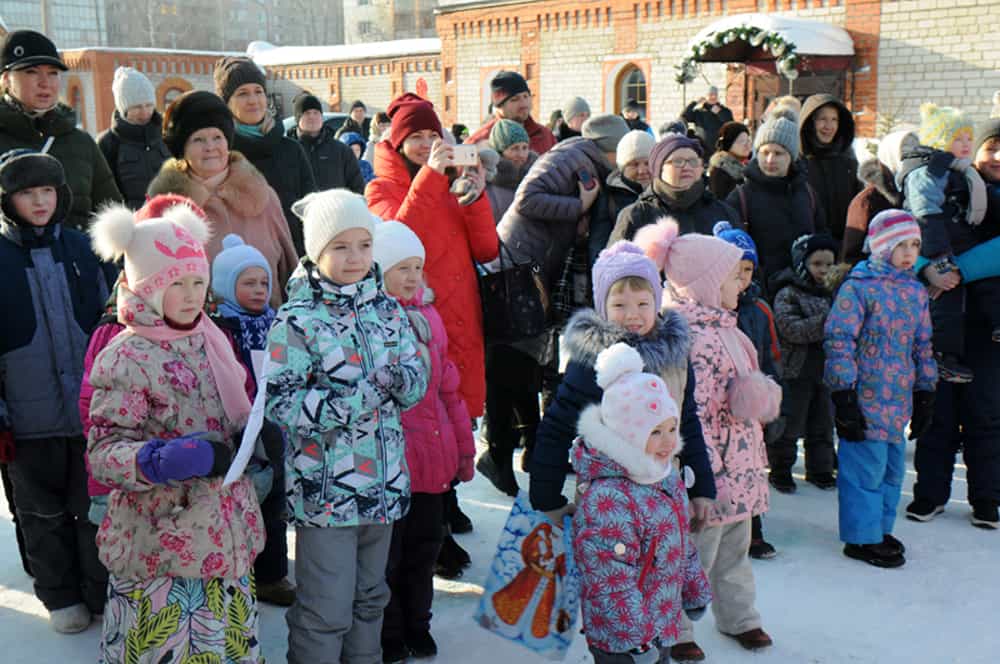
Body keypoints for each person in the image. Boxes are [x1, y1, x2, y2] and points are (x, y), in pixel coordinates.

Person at [88, 202, 265, 661]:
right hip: (161, 543)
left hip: (222, 532)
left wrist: (258, 437)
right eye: (175, 284)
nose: (191, 296)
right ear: (146, 289)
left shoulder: (212, 338)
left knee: (221, 645)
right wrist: (156, 459)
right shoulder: (126, 355)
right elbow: (104, 450)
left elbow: (236, 409)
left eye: (197, 282)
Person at [264, 189, 427, 663]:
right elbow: (283, 404)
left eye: (364, 244)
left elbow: (415, 379)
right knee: (325, 609)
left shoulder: (387, 309)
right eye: (340, 247)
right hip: (328, 497)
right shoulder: (298, 321)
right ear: (316, 252)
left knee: (370, 600)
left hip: (384, 486)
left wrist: (402, 379)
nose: (355, 258)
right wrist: (364, 395)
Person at [636, 219, 780, 660]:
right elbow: (687, 410)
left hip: (742, 467)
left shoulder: (731, 328)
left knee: (735, 550)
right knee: (692, 555)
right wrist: (700, 474)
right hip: (708, 470)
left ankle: (740, 616)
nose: (741, 283)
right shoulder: (684, 336)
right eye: (732, 276)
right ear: (704, 284)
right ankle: (676, 625)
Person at [0, 150, 116, 633]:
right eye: (28, 193)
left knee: (93, 511)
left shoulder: (83, 248)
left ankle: (98, 590)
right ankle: (60, 595)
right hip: (27, 423)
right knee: (40, 515)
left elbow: (113, 322)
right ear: (9, 201)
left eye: (47, 191)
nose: (40, 201)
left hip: (89, 414)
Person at [528, 242, 716, 534]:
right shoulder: (594, 361)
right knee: (611, 577)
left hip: (665, 499)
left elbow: (687, 422)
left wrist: (701, 487)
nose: (632, 315)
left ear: (657, 302)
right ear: (602, 307)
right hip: (606, 504)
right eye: (619, 306)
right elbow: (556, 428)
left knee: (661, 574)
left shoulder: (675, 358)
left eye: (643, 304)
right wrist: (547, 499)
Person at [373, 221, 475, 663]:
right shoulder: (374, 322)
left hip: (433, 463)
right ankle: (390, 630)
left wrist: (464, 450)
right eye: (402, 268)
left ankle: (419, 623)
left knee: (424, 550)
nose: (413, 276)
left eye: (418, 267)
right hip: (394, 464)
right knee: (389, 557)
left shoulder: (430, 317)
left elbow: (447, 392)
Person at [572, 342, 712, 664]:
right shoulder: (608, 497)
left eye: (672, 429)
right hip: (620, 640)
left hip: (659, 623)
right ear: (627, 434)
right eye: (655, 432)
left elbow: (681, 543)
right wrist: (633, 642)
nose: (668, 442)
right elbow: (608, 580)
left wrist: (693, 589)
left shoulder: (664, 477)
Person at [824, 210, 937, 567]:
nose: (908, 253)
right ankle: (860, 538)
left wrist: (925, 391)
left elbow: (923, 344)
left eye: (915, 245)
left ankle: (879, 530)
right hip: (864, 398)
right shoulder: (858, 287)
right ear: (882, 245)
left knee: (891, 470)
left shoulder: (915, 291)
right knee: (863, 470)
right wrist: (843, 394)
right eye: (901, 245)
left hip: (898, 400)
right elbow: (839, 338)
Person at [907, 119, 1000, 530]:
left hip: (988, 325)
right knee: (936, 413)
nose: (997, 157)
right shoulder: (942, 185)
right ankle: (930, 494)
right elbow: (906, 239)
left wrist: (955, 269)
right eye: (991, 147)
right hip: (938, 322)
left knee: (986, 414)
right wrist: (929, 269)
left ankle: (986, 498)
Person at [206, 232, 296, 606]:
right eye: (248, 283)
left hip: (275, 426)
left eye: (264, 282)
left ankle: (272, 575)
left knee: (274, 501)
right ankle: (238, 569)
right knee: (242, 504)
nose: (259, 290)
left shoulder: (277, 320)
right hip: (240, 427)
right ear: (226, 285)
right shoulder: (219, 328)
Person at [149, 89, 298, 309]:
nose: (210, 147)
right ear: (183, 149)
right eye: (198, 140)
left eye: (217, 137)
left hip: (267, 333)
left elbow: (291, 270)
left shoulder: (263, 196)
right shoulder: (165, 207)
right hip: (194, 335)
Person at [899, 103, 998, 384]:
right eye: (958, 139)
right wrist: (936, 261)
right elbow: (924, 216)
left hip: (957, 248)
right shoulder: (931, 171)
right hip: (937, 250)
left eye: (969, 138)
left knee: (987, 287)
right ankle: (941, 357)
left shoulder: (960, 172)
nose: (966, 145)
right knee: (944, 301)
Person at [0, 30, 121, 229]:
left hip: (76, 258)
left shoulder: (81, 142)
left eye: (53, 73)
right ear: (6, 79)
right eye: (31, 72)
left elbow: (112, 214)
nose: (45, 83)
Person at [712, 222, 782, 560]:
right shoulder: (709, 310)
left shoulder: (759, 309)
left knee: (751, 466)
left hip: (751, 407)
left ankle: (754, 529)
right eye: (733, 268)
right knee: (723, 468)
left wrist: (771, 398)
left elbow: (772, 355)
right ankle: (720, 527)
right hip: (716, 409)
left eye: (748, 269)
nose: (741, 277)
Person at [215, 56, 317, 256]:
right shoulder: (219, 153)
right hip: (240, 267)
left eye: (258, 91)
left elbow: (311, 208)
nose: (253, 100)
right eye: (242, 94)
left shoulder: (291, 149)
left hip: (294, 259)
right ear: (226, 103)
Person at [728, 110, 826, 296]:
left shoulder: (807, 194)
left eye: (778, 153)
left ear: (792, 156)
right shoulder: (741, 196)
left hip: (804, 292)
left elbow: (821, 237)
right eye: (765, 152)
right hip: (757, 293)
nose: (770, 160)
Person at [770, 234, 838, 493]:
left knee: (822, 422)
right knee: (790, 423)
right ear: (803, 263)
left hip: (825, 370)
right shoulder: (788, 293)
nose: (823, 270)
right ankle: (781, 468)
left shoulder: (835, 292)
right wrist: (827, 321)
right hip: (796, 370)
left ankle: (821, 469)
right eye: (817, 263)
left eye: (829, 264)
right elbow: (791, 329)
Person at [609, 133, 741, 243]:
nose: (687, 167)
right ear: (659, 169)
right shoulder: (636, 215)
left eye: (693, 161)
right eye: (678, 161)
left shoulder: (723, 213)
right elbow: (614, 267)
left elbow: (747, 265)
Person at [97, 66, 171, 210]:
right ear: (123, 109)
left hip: (170, 219)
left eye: (149, 105)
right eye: (136, 107)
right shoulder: (108, 143)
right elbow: (103, 193)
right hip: (132, 223)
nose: (144, 112)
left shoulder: (168, 134)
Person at [842, 128, 917, 264]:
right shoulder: (867, 200)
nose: (910, 156)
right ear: (890, 155)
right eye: (905, 150)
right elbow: (851, 253)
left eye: (915, 149)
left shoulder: (919, 193)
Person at [799, 94, 862, 242]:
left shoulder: (849, 164)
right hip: (809, 249)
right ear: (810, 122)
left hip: (845, 249)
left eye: (834, 120)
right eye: (823, 119)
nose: (829, 126)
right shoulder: (797, 164)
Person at [287, 92, 365, 195]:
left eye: (316, 112)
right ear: (298, 118)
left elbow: (357, 188)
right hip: (297, 210)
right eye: (307, 113)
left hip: (335, 209)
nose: (312, 117)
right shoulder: (286, 150)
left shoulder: (341, 151)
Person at [465, 71, 557, 155]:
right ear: (500, 106)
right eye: (514, 99)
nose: (523, 104)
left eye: (525, 96)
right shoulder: (479, 140)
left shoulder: (545, 135)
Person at [595, 129, 655, 253]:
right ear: (622, 168)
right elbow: (598, 244)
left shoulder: (665, 194)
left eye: (647, 163)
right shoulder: (609, 197)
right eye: (634, 164)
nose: (642, 170)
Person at [484, 118, 536, 222]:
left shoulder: (537, 175)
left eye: (524, 148)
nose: (521, 155)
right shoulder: (486, 180)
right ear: (499, 151)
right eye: (514, 148)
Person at [683, 86, 734, 153]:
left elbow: (731, 125)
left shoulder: (725, 111)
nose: (713, 97)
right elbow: (684, 116)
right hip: (701, 149)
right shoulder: (699, 112)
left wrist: (720, 113)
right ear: (705, 97)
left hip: (718, 150)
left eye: (715, 95)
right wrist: (694, 103)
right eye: (710, 94)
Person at [708, 121, 751, 200]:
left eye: (748, 140)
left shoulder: (747, 167)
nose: (747, 144)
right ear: (728, 144)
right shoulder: (720, 171)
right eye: (741, 141)